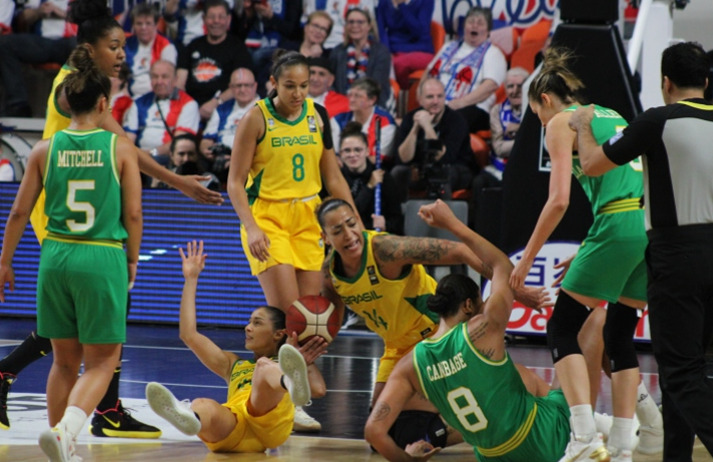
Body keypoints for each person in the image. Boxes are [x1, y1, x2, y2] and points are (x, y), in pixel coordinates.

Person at [0, 0, 222, 438]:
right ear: (91, 48)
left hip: (60, 224)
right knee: (93, 328)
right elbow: (128, 152)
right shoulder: (77, 89)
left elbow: (17, 210)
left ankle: (93, 409)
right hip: (76, 222)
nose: (122, 54)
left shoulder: (74, 82)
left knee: (74, 332)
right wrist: (179, 182)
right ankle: (93, 409)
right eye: (115, 46)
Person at [509, 47, 662, 461]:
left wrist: (525, 261)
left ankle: (581, 438)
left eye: (536, 115)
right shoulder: (611, 113)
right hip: (645, 225)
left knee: (562, 329)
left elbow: (558, 201)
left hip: (614, 223)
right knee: (619, 334)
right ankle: (625, 448)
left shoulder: (560, 122)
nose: (541, 125)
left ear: (545, 100)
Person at [569, 41, 713, 462]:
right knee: (691, 368)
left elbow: (593, 164)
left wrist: (580, 125)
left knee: (680, 371)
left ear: (665, 82)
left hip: (678, 255)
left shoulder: (656, 121)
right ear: (705, 82)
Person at [364, 200, 593, 461]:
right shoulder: (481, 329)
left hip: (491, 456)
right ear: (470, 305)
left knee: (520, 385)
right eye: (481, 303)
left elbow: (373, 431)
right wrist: (452, 224)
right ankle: (594, 432)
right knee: (590, 324)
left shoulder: (410, 364)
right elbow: (502, 266)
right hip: (541, 440)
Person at [0, 58, 142, 461]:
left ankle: (60, 445)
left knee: (63, 362)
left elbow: (18, 213)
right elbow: (133, 214)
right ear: (103, 103)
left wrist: (4, 262)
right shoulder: (120, 148)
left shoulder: (45, 149)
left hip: (55, 255)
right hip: (100, 255)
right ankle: (66, 433)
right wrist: (132, 259)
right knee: (102, 361)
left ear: (66, 102)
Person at [317, 198, 547, 416]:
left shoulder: (386, 250)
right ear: (325, 237)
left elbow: (461, 251)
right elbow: (332, 321)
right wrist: (309, 343)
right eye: (337, 231)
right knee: (381, 421)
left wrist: (518, 292)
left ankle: (515, 389)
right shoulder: (330, 273)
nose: (349, 235)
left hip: (434, 332)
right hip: (397, 346)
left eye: (351, 224)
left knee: (400, 412)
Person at [226, 50, 358, 432]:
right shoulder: (256, 118)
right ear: (273, 84)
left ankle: (284, 390)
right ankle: (288, 400)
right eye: (290, 86)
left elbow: (333, 177)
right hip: (268, 218)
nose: (298, 93)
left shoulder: (319, 116)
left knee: (310, 319)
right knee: (289, 315)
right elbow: (235, 181)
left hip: (309, 219)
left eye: (304, 85)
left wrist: (356, 227)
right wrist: (251, 227)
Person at [145, 240, 327, 453]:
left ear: (279, 334)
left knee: (263, 367)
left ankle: (288, 382)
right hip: (235, 431)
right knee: (202, 404)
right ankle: (190, 418)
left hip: (270, 427)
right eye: (249, 322)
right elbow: (189, 335)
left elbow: (317, 390)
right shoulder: (232, 364)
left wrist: (305, 366)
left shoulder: (284, 362)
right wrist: (190, 279)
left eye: (257, 323)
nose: (248, 328)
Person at [423, 6, 507, 133]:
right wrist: (423, 97)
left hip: (473, 108)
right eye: (470, 22)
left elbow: (489, 87)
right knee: (411, 118)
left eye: (480, 23)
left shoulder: (493, 53)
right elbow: (428, 72)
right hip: (438, 104)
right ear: (464, 26)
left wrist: (458, 104)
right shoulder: (448, 46)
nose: (474, 26)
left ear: (488, 30)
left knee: (451, 121)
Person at [390, 77, 474, 203]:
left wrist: (427, 126)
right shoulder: (410, 118)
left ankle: (442, 220)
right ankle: (401, 218)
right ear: (420, 100)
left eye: (439, 96)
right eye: (430, 97)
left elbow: (445, 157)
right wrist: (415, 128)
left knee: (440, 174)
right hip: (422, 170)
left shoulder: (456, 120)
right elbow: (402, 158)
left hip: (456, 169)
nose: (436, 101)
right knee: (398, 172)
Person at [470, 67, 529, 227]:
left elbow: (533, 145)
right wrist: (526, 135)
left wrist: (518, 129)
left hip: (526, 169)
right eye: (510, 86)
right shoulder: (497, 111)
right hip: (499, 168)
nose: (515, 91)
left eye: (520, 86)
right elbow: (499, 148)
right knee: (479, 182)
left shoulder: (536, 110)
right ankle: (477, 232)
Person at [176, 0, 253, 120]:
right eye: (211, 17)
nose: (216, 21)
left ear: (228, 19)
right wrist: (188, 107)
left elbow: (240, 86)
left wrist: (216, 102)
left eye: (221, 17)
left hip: (223, 108)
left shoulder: (238, 48)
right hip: (190, 108)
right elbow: (179, 82)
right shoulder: (192, 46)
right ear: (203, 18)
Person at [0, 0, 77, 117]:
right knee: (5, 44)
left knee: (84, 47)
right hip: (42, 42)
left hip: (72, 42)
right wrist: (38, 12)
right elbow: (23, 18)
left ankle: (79, 106)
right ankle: (18, 105)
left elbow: (95, 20)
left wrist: (63, 13)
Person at [124, 60, 200, 156]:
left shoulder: (188, 104)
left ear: (175, 80)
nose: (159, 82)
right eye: (155, 77)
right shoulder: (139, 103)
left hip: (167, 157)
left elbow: (179, 143)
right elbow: (129, 137)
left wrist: (150, 154)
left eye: (164, 77)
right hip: (139, 155)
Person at [339, 121, 403, 234]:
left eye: (358, 150)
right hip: (349, 236)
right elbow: (348, 215)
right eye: (347, 150)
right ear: (340, 153)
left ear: (367, 151)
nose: (352, 155)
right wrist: (369, 187)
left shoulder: (383, 177)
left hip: (379, 238)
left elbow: (398, 220)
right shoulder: (337, 179)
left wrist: (385, 225)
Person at [329, 7, 392, 109]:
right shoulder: (338, 51)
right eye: (351, 22)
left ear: (369, 26)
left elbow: (377, 85)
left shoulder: (381, 52)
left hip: (372, 105)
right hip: (341, 106)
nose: (355, 26)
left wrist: (358, 102)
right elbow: (332, 84)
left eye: (360, 22)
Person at [200, 68, 260, 168]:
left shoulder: (265, 109)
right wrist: (208, 150)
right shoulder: (221, 110)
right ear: (230, 88)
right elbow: (207, 139)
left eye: (247, 85)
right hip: (221, 162)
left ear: (255, 86)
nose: (242, 90)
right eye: (238, 86)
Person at [332, 77, 397, 160]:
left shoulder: (385, 122)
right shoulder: (338, 120)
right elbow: (335, 154)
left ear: (372, 100)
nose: (351, 99)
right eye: (350, 95)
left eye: (357, 96)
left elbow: (378, 158)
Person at [376, 0, 435, 90]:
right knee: (377, 62)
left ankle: (403, 97)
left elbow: (419, 32)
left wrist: (402, 6)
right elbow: (381, 31)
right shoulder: (384, 2)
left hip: (420, 50)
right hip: (394, 51)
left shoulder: (426, 1)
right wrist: (386, 52)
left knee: (397, 64)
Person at [124, 3, 178, 98]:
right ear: (133, 25)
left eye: (148, 23)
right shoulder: (126, 45)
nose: (143, 28)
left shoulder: (166, 45)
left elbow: (167, 78)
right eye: (139, 23)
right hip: (128, 96)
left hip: (155, 97)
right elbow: (118, 76)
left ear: (156, 24)